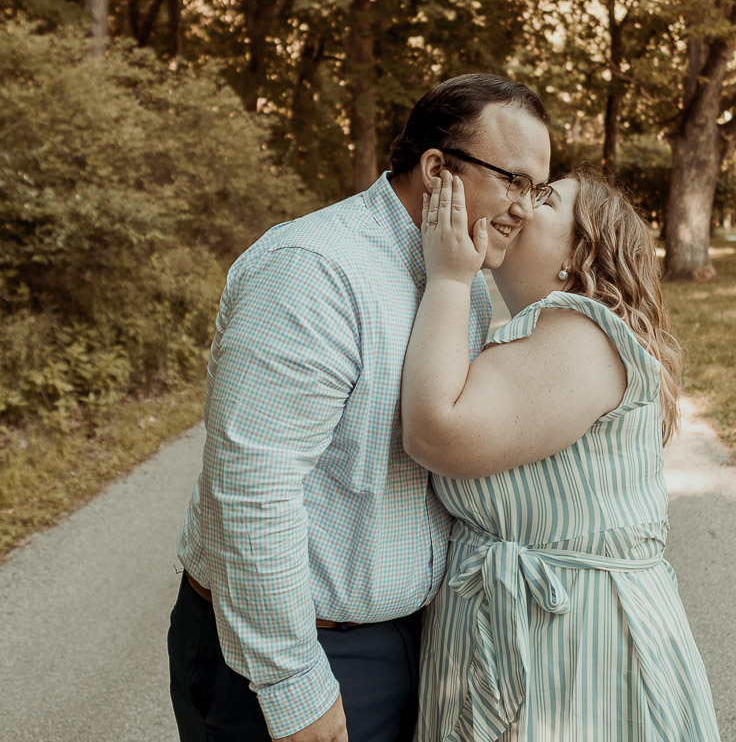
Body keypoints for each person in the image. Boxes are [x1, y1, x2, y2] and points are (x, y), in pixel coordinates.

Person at [168, 74, 553, 742]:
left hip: (409, 640)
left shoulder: (459, 277)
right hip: (300, 651)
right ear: (437, 170)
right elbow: (253, 488)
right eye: (513, 180)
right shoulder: (314, 268)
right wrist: (295, 688)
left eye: (538, 190)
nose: (525, 208)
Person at [402, 170, 722, 742]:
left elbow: (437, 433)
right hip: (522, 625)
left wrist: (449, 279)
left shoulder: (582, 334)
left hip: (574, 645)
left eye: (545, 199)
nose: (522, 205)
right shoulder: (541, 332)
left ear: (580, 255)